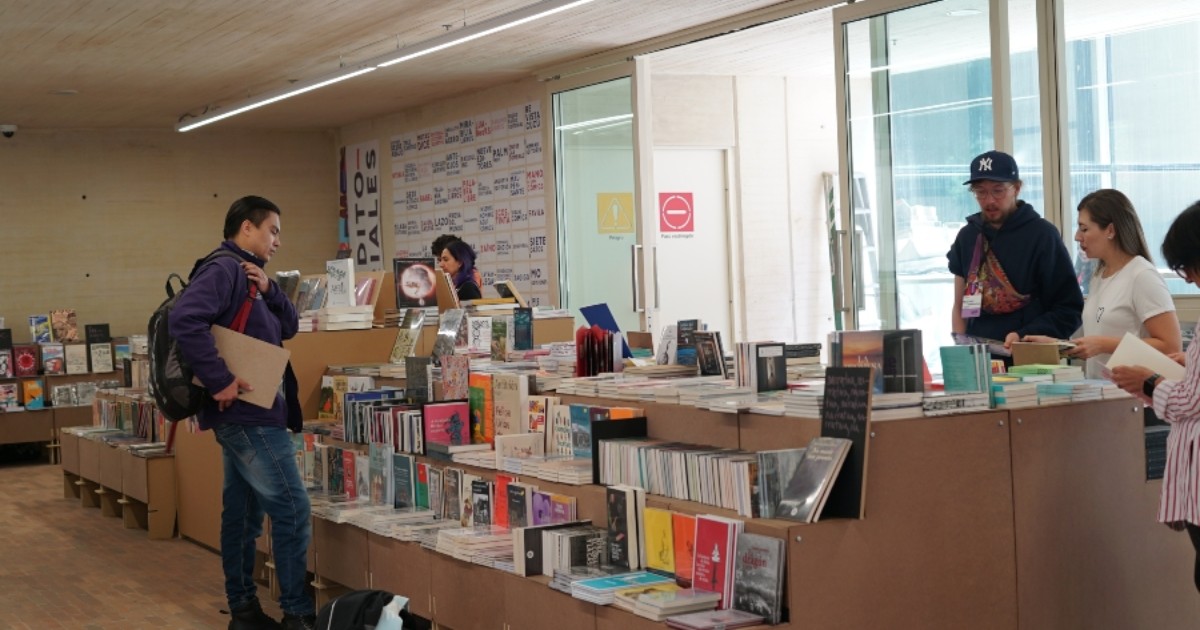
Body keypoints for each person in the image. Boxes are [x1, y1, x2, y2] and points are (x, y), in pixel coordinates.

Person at [168, 196, 315, 630]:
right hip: (248, 416)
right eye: (273, 230)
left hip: (255, 413)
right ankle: (297, 614)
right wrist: (220, 380)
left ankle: (245, 612)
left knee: (243, 514)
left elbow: (289, 326)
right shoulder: (224, 269)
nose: (278, 241)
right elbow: (185, 319)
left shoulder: (250, 273)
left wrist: (269, 289)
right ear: (247, 229)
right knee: (291, 508)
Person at [1111, 200, 1200, 593]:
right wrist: (1188, 362)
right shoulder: (1102, 276)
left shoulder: (1140, 277)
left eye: (1187, 268)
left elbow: (1187, 403)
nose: (1191, 279)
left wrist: (1146, 382)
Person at [1026, 189, 1180, 378]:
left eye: (1084, 229)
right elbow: (1093, 340)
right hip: (1103, 393)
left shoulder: (1142, 275)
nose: (1077, 237)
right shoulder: (1100, 275)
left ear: (1110, 230)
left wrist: (1104, 344)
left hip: (1135, 399)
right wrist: (1057, 345)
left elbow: (1171, 347)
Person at [947, 150, 1083, 352]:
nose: (989, 200)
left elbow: (1069, 309)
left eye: (998, 190)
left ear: (1016, 188)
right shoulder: (968, 236)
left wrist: (1023, 335)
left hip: (1031, 359)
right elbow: (960, 306)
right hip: (981, 357)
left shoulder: (1042, 235)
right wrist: (961, 349)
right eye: (980, 192)